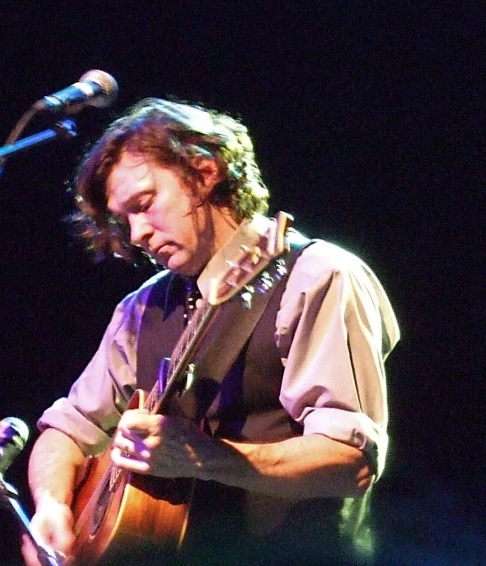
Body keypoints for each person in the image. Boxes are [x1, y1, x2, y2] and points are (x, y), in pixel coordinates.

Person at [20, 98, 399, 566]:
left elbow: (351, 462)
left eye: (144, 204)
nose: (136, 233)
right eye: (125, 220)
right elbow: (68, 430)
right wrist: (53, 506)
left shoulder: (317, 276)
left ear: (205, 170)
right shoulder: (142, 308)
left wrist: (205, 457)